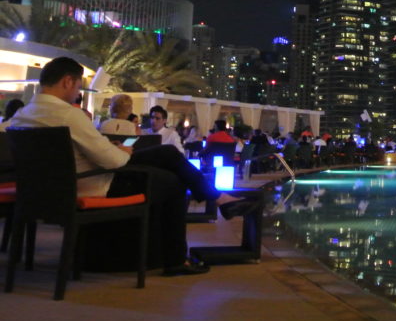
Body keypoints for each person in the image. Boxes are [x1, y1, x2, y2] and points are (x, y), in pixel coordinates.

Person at [7, 57, 260, 276]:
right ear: (67, 82)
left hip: (46, 194)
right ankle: (178, 255)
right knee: (171, 176)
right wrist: (122, 149)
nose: (77, 93)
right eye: (78, 86)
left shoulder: (21, 117)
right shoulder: (69, 115)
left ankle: (218, 202)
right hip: (93, 185)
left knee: (168, 155)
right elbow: (114, 161)